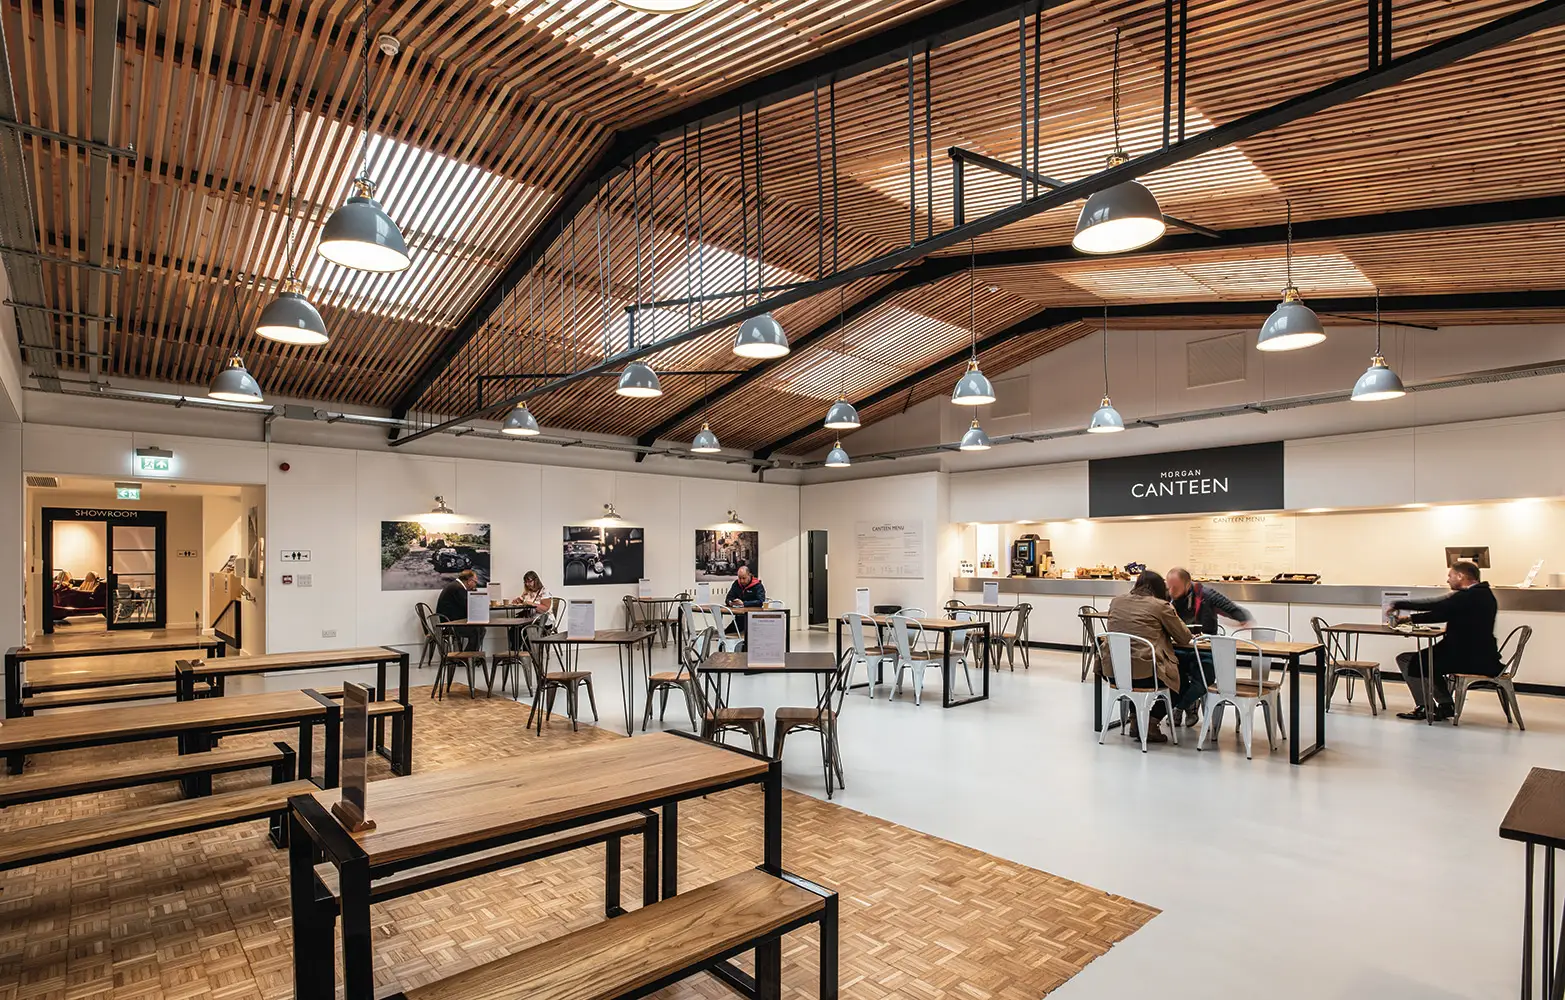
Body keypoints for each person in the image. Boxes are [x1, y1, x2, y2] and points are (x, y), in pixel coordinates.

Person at [1388, 560, 1502, 722]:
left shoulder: (1469, 596)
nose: (1448, 580)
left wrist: (1399, 606)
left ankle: (1425, 707)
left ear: (1460, 576)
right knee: (1427, 661)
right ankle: (1446, 705)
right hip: (1481, 655)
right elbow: (1442, 612)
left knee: (1410, 661)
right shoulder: (1483, 594)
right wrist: (1409, 618)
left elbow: (1437, 607)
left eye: (1450, 576)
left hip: (1468, 657)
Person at [1102, 570, 1198, 743]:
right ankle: (1151, 723)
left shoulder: (1116, 601)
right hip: (1146, 674)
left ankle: (1134, 721)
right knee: (1181, 683)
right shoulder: (1160, 606)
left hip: (1115, 671)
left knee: (1132, 673)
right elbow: (1184, 637)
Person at [1167, 568, 1252, 635]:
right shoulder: (1166, 596)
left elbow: (1231, 608)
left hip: (1204, 643)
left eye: (1175, 588)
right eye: (1169, 587)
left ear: (1188, 584)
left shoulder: (1205, 594)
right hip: (1176, 643)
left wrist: (1242, 619)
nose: (1171, 591)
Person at [436, 568, 482, 649]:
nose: (475, 585)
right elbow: (467, 607)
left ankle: (469, 655)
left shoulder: (455, 585)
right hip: (450, 625)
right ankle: (469, 655)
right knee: (478, 631)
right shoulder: (458, 588)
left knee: (479, 629)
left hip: (448, 622)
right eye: (475, 582)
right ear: (469, 581)